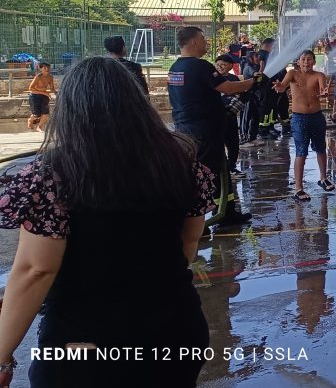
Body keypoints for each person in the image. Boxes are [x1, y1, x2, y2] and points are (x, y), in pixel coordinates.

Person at [0, 57, 216, 387]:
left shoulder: (53, 176)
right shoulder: (182, 163)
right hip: (177, 330)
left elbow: (36, 269)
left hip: (87, 343)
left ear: (70, 109)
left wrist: (2, 354)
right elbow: (188, 242)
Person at [168, 26, 257, 226]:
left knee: (214, 168)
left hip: (185, 129)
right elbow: (228, 87)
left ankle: (227, 211)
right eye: (203, 39)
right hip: (204, 130)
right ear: (194, 42)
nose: (206, 42)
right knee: (214, 170)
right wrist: (254, 82)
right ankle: (209, 218)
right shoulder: (200, 66)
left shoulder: (175, 68)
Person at [273, 50, 334, 201]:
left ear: (314, 61)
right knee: (301, 152)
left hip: (317, 117)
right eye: (303, 59)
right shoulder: (293, 74)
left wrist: (324, 93)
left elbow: (323, 89)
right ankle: (298, 188)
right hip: (299, 118)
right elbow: (282, 87)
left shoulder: (319, 75)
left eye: (309, 59)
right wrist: (280, 86)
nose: (306, 62)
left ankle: (323, 178)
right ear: (298, 62)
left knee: (321, 148)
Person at [26, 63, 55, 132]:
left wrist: (57, 93)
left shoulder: (50, 77)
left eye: (48, 67)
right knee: (36, 115)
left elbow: (52, 88)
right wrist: (44, 92)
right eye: (45, 68)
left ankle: (40, 127)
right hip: (34, 96)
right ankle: (30, 120)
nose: (47, 69)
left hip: (44, 96)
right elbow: (31, 88)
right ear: (41, 69)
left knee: (45, 113)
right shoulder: (38, 77)